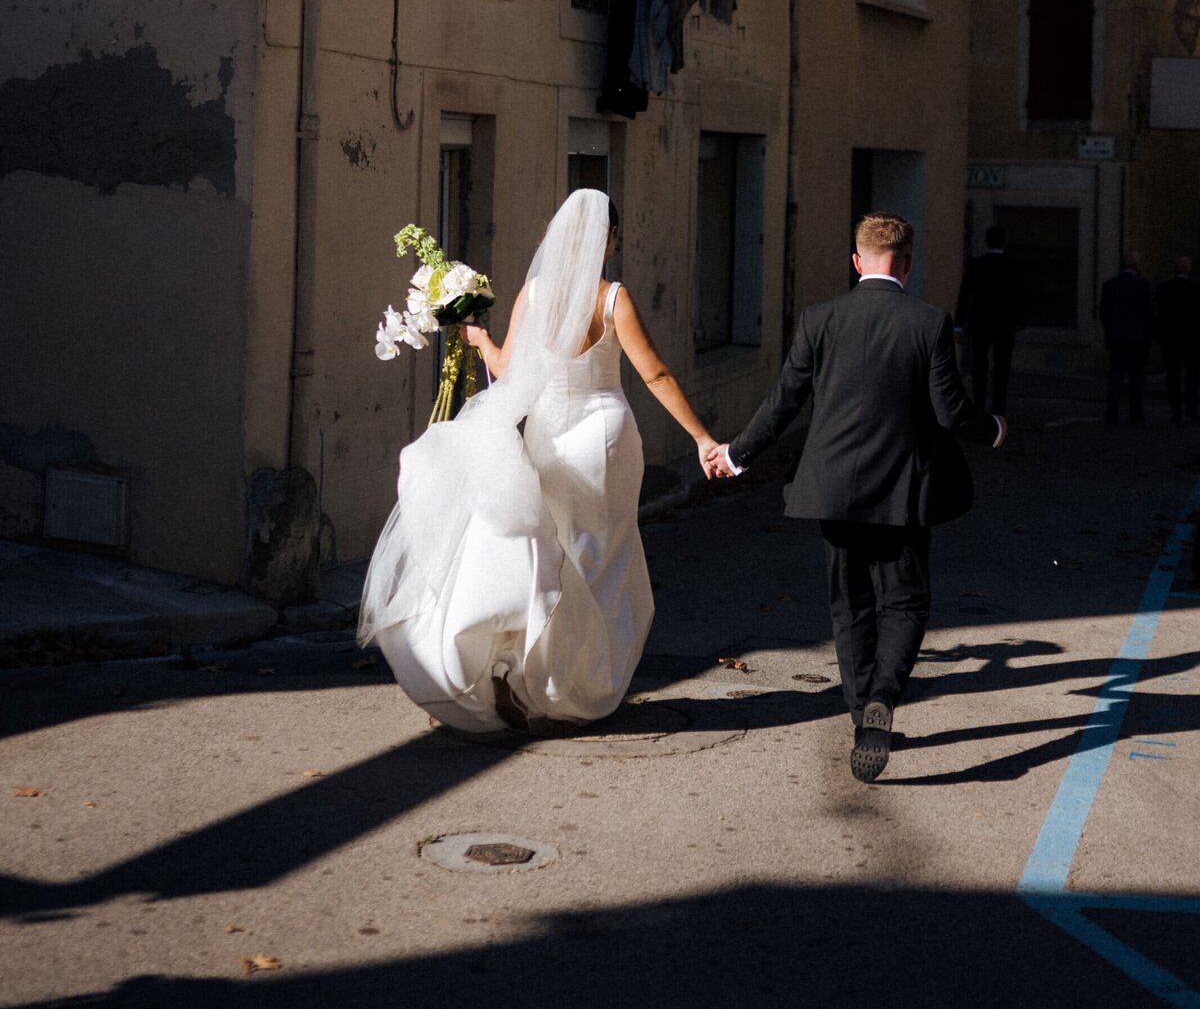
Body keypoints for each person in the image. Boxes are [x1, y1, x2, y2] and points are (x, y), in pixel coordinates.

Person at [358, 189, 720, 736]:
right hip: (605, 436)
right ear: (609, 241)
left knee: (550, 555)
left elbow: (508, 373)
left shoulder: (534, 292)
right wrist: (701, 437)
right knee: (604, 557)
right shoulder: (611, 297)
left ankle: (527, 674)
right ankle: (583, 684)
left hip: (548, 435)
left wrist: (479, 339)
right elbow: (657, 376)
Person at [708, 214, 1005, 783]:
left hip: (833, 488)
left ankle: (860, 712)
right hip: (903, 491)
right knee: (906, 603)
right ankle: (884, 701)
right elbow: (950, 412)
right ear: (908, 264)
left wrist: (736, 454)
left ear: (857, 261)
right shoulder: (929, 322)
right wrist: (991, 428)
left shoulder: (821, 319)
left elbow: (784, 401)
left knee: (849, 606)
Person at [954, 225, 1027, 419]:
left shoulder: (976, 265)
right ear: (1004, 242)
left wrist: (959, 324)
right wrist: (1020, 321)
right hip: (1005, 324)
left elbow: (965, 295)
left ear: (987, 241)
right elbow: (1022, 297)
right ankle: (998, 409)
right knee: (1002, 367)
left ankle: (979, 406)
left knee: (979, 366)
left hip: (981, 322)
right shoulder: (1014, 266)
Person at [1099, 253, 1157, 425]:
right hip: (1138, 339)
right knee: (1137, 377)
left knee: (1116, 374)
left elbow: (1104, 312)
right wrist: (1150, 334)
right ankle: (1136, 413)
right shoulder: (1144, 286)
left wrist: (1111, 330)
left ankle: (1113, 409)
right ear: (1136, 266)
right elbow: (1151, 313)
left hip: (1117, 338)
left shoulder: (1110, 285)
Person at [1156, 257, 1200, 426]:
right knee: (1192, 374)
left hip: (1171, 337)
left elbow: (1160, 311)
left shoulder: (1164, 289)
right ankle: (1192, 408)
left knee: (1173, 375)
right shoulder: (1195, 289)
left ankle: (1176, 410)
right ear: (1188, 270)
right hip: (1191, 338)